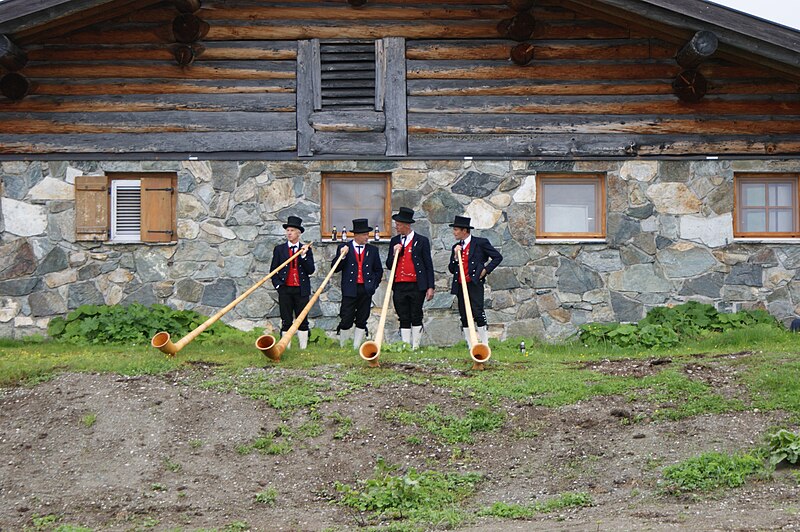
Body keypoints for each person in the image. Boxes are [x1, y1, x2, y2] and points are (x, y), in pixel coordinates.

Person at [448, 215, 503, 348]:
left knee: (478, 312)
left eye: (456, 229)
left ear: (464, 231)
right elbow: (451, 269)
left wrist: (485, 270)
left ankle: (484, 344)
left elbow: (497, 257)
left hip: (474, 283)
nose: (454, 232)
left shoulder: (480, 243)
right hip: (460, 284)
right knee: (464, 314)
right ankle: (471, 344)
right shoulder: (456, 246)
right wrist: (456, 256)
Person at [385, 207, 434, 350]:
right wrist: (394, 253)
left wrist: (430, 286)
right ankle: (405, 345)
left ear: (407, 225)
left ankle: (416, 345)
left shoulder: (421, 241)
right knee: (403, 315)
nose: (396, 227)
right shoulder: (394, 241)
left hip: (416, 284)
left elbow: (428, 265)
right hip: (399, 284)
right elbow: (389, 265)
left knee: (416, 314)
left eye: (398, 224)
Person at [334, 218, 383, 349]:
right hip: (350, 289)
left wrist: (373, 285)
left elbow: (378, 270)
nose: (367, 237)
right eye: (364, 234)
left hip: (365, 289)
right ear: (356, 235)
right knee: (346, 317)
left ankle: (356, 346)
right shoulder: (344, 248)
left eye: (368, 234)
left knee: (362, 318)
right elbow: (335, 268)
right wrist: (342, 256)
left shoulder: (372, 250)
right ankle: (343, 346)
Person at [270, 216, 315, 350]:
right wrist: (279, 286)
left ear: (298, 233)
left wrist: (303, 256)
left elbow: (310, 270)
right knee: (286, 320)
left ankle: (303, 349)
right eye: (287, 230)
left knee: (302, 320)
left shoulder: (306, 249)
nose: (289, 233)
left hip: (301, 290)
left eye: (292, 230)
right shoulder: (280, 249)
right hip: (285, 289)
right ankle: (285, 348)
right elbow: (273, 271)